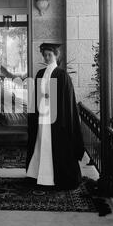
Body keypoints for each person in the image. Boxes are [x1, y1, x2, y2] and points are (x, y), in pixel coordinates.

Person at [26, 43, 85, 190]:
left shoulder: (61, 75)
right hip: (42, 116)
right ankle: (40, 175)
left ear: (56, 56)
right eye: (44, 55)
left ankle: (54, 178)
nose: (46, 57)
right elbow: (36, 96)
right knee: (41, 143)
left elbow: (67, 101)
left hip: (57, 118)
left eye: (49, 55)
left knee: (54, 145)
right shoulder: (40, 73)